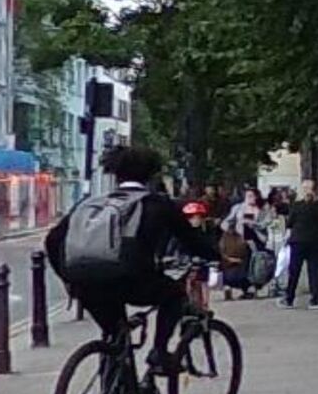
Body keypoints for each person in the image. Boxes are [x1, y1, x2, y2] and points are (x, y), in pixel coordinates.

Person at [46, 144, 218, 378]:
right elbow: (192, 241)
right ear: (151, 175)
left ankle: (114, 389)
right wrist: (220, 258)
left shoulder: (89, 204)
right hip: (131, 281)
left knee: (115, 334)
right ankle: (159, 353)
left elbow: (52, 240)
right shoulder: (157, 203)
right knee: (174, 295)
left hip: (86, 284)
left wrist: (68, 277)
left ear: (116, 174)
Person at [282, 183, 318, 309]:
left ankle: (289, 299)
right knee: (314, 270)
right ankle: (315, 300)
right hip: (315, 241)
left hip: (298, 241)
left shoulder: (297, 206)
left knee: (294, 271)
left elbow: (290, 223)